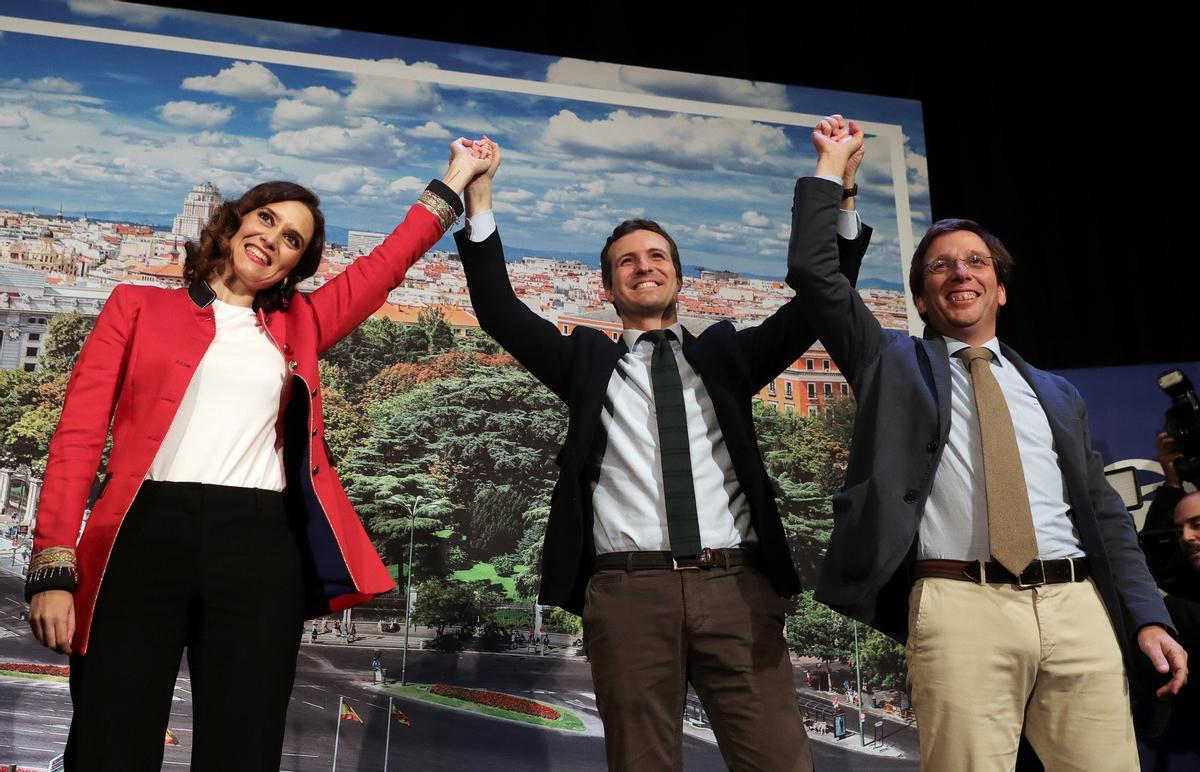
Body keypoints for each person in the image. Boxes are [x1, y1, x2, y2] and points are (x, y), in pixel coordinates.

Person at [24, 138, 492, 771]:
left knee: (243, 749)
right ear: (235, 221)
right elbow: (77, 437)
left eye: (293, 239)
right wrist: (54, 566)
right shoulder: (135, 306)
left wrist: (456, 178)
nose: (274, 238)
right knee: (110, 743)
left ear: (297, 266)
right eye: (267, 218)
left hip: (258, 548)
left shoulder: (303, 322)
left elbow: (384, 267)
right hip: (139, 536)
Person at [786, 115, 1187, 771]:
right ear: (922, 296)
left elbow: (1106, 514)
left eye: (976, 262)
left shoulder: (1058, 392)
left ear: (1000, 287)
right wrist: (837, 175)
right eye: (940, 266)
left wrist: (1147, 616)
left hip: (1075, 606)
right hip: (958, 608)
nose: (960, 273)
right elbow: (815, 273)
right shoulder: (890, 363)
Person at [455, 139, 870, 771]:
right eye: (627, 261)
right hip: (627, 590)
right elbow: (499, 311)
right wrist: (479, 195)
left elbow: (820, 301)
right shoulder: (587, 362)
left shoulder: (728, 357)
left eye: (656, 256)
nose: (643, 266)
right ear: (609, 286)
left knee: (780, 762)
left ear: (678, 274)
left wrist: (841, 191)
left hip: (737, 587)